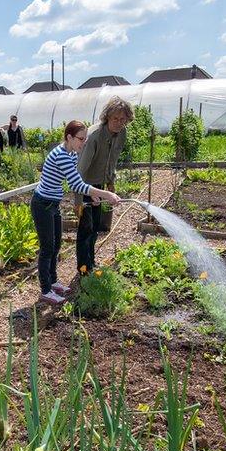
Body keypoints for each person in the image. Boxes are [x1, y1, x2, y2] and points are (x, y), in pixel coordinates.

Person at [32, 120, 121, 305]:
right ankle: (46, 290)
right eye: (81, 139)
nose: (83, 143)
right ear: (69, 137)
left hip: (52, 204)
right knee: (47, 248)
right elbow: (76, 184)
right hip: (42, 205)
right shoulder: (61, 155)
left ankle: (54, 281)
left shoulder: (71, 153)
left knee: (56, 246)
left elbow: (77, 180)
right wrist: (105, 193)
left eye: (85, 139)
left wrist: (92, 196)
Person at [75, 96, 133, 273]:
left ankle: (91, 263)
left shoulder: (121, 134)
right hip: (85, 185)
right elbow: (80, 171)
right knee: (86, 228)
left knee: (96, 227)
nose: (118, 122)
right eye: (115, 118)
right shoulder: (94, 137)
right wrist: (78, 201)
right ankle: (83, 269)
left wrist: (110, 182)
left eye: (123, 119)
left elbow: (112, 159)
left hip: (99, 186)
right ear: (107, 117)